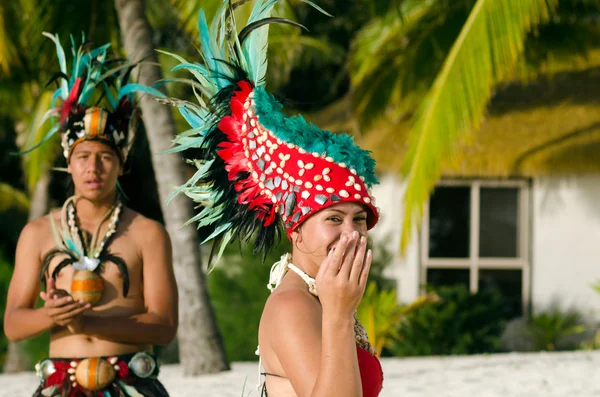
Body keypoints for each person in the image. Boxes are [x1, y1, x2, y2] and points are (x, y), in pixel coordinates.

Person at [158, 1, 383, 396]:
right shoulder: (293, 306)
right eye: (333, 218)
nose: (351, 233)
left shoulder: (319, 295)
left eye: (359, 219)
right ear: (295, 230)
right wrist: (338, 313)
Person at [3, 33, 177, 397]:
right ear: (69, 163)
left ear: (122, 165)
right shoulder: (37, 233)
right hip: (61, 385)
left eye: (105, 157)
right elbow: (14, 324)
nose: (93, 168)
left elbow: (163, 327)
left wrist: (89, 322)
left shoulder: (147, 233)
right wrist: (51, 317)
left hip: (130, 381)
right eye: (83, 157)